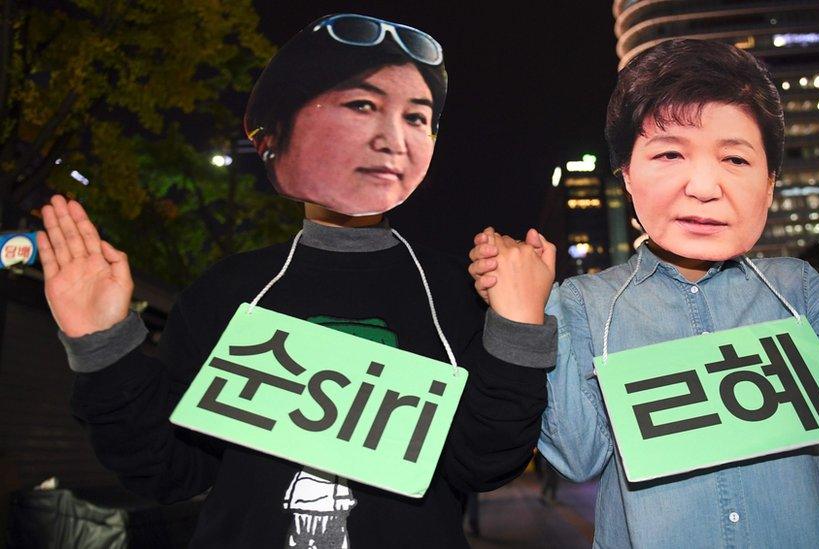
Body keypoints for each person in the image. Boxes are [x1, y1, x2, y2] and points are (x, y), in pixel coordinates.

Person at [37, 14, 555, 548]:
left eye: (418, 118)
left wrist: (518, 330)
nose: (392, 139)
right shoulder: (225, 291)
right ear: (276, 132)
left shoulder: (456, 289)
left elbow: (483, 463)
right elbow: (168, 470)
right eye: (361, 105)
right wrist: (102, 346)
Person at [470, 39, 819, 547]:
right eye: (671, 153)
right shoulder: (585, 303)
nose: (703, 186)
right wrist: (529, 311)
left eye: (736, 160)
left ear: (770, 184)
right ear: (627, 177)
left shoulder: (795, 287)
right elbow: (576, 456)